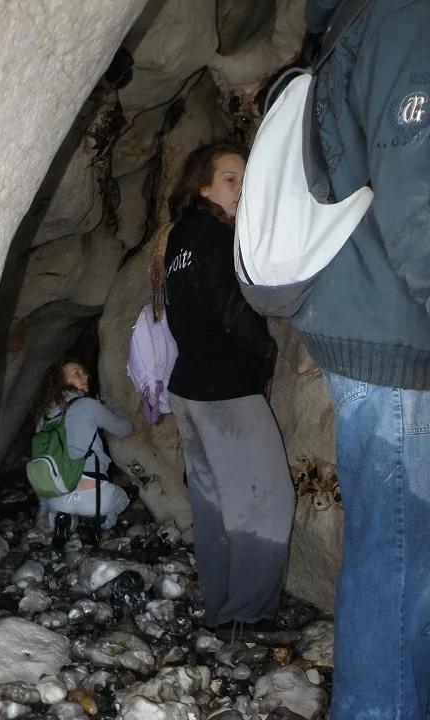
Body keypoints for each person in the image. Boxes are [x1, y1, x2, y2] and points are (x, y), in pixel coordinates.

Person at [290, 0, 430, 720]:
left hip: (365, 325)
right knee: (400, 554)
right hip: (394, 337)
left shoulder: (347, 24)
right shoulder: (408, 15)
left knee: (402, 550)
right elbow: (418, 188)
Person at [151, 142, 295, 633]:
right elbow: (233, 312)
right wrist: (265, 355)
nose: (242, 188)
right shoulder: (217, 237)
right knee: (266, 500)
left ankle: (221, 609)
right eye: (232, 178)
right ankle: (248, 614)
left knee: (213, 504)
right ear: (203, 186)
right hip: (226, 387)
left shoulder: (178, 241)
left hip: (189, 387)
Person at [31, 361, 133, 534]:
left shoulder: (44, 418)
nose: (85, 376)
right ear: (59, 380)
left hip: (57, 499)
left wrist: (44, 510)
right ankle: (102, 522)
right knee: (122, 498)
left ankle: (64, 521)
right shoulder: (88, 405)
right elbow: (124, 430)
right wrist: (113, 406)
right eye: (76, 372)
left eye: (85, 373)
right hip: (96, 497)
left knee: (62, 508)